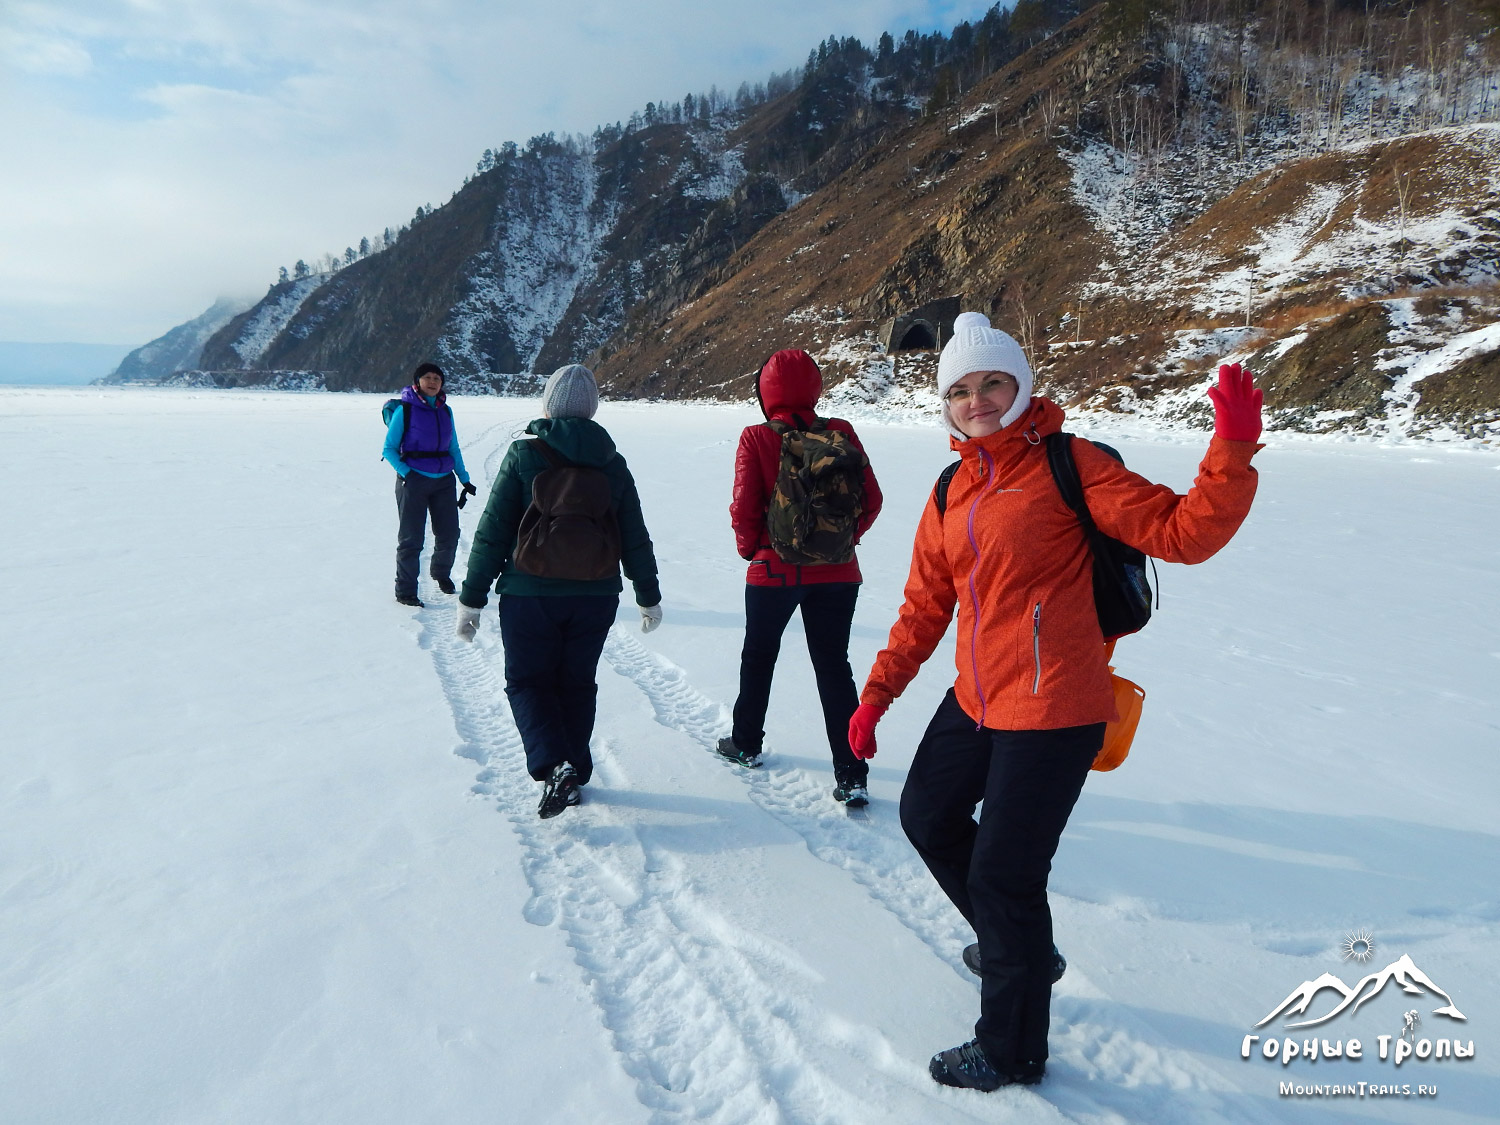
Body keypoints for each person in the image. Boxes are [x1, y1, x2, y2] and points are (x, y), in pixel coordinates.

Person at [846, 312, 1263, 1091]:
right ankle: (1021, 950)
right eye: (961, 390)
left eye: (994, 383)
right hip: (976, 695)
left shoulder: (1072, 465)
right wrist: (876, 697)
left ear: (1023, 385)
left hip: (1055, 706)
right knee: (926, 814)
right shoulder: (951, 487)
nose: (979, 400)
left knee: (1007, 876)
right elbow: (924, 607)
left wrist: (1232, 447)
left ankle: (1011, 1046)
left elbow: (1181, 531)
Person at [454, 364, 662, 819]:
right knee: (576, 682)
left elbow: (493, 530)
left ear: (547, 405)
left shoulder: (524, 455)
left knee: (529, 681)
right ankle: (575, 767)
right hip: (596, 594)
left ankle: (555, 765)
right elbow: (634, 535)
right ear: (592, 408)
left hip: (529, 593)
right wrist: (648, 595)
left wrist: (472, 598)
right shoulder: (613, 462)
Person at [716, 348, 883, 806]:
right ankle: (851, 773)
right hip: (839, 573)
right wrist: (841, 542)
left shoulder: (756, 437)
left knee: (759, 658)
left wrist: (753, 550)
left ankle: (746, 743)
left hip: (773, 572)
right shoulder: (841, 433)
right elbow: (872, 500)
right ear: (816, 386)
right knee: (834, 667)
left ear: (764, 393)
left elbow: (744, 506)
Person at [383, 361, 475, 607]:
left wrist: (464, 478)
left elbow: (453, 447)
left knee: (449, 534)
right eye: (427, 377)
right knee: (411, 539)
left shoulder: (446, 411)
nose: (433, 382)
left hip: (444, 481)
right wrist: (407, 473)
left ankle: (441, 573)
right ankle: (405, 591)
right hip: (413, 480)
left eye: (437, 378)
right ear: (418, 382)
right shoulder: (406, 411)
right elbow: (389, 449)